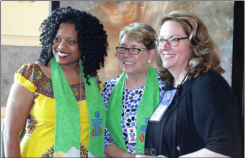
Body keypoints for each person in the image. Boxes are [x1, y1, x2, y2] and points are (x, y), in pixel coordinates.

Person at [3, 6, 108, 158]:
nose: (61, 46)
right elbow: (10, 133)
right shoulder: (32, 75)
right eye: (57, 38)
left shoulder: (92, 81)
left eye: (71, 41)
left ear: (86, 45)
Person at [145, 11, 242, 158]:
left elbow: (225, 150)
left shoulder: (206, 85)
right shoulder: (171, 87)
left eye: (173, 40)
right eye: (161, 39)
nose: (164, 47)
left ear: (194, 44)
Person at [102, 22, 165, 157]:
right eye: (123, 48)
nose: (126, 54)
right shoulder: (107, 89)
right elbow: (100, 136)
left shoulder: (167, 86)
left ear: (151, 54)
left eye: (135, 49)